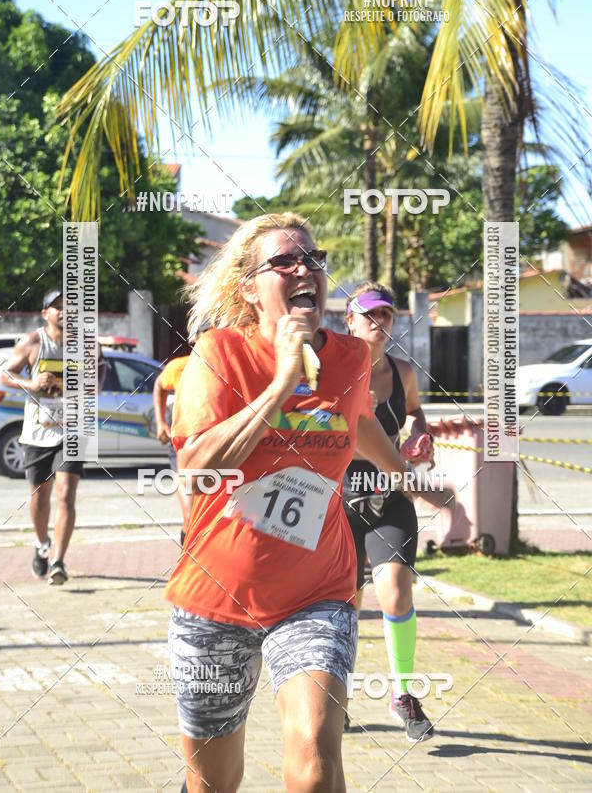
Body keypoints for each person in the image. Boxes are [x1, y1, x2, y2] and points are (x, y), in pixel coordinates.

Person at [164, 214, 417, 793]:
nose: (304, 269)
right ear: (251, 288)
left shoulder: (351, 358)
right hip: (216, 597)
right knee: (212, 783)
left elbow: (356, 419)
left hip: (316, 592)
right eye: (283, 261)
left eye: (313, 259)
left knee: (317, 761)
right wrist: (280, 386)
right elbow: (196, 469)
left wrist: (407, 476)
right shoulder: (219, 353)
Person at [342, 281, 451, 742]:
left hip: (391, 497)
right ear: (349, 320)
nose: (378, 321)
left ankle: (403, 694)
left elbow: (415, 412)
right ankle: (337, 696)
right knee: (345, 605)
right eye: (369, 314)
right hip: (339, 498)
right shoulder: (329, 369)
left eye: (385, 314)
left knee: (397, 595)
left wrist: (419, 436)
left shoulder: (403, 371)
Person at [1, 289, 105, 585]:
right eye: (56, 307)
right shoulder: (33, 342)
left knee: (65, 493)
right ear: (45, 313)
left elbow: (101, 367)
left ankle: (58, 561)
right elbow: (6, 375)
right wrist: (32, 383)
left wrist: (94, 388)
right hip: (38, 432)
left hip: (73, 429)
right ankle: (41, 543)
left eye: (69, 306)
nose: (64, 311)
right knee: (39, 496)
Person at [153, 354, 191, 545]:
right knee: (191, 516)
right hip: (183, 445)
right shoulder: (181, 366)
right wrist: (160, 423)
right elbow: (159, 385)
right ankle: (188, 556)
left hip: (218, 445)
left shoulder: (230, 364)